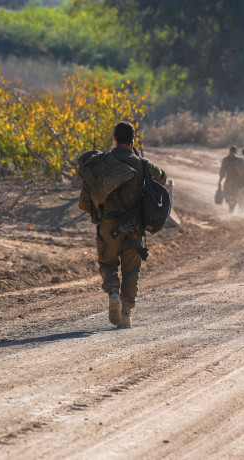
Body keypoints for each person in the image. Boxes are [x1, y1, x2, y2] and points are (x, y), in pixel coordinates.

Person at [79, 121, 167, 329]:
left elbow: (85, 200)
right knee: (131, 270)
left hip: (108, 224)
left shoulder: (101, 162)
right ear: (133, 140)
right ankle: (126, 314)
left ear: (114, 139)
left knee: (107, 264)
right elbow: (162, 178)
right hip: (134, 226)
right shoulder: (143, 164)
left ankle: (112, 292)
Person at [218, 145, 244, 214]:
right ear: (236, 151)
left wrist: (220, 179)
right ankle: (232, 209)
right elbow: (242, 171)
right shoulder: (241, 159)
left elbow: (222, 171)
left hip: (228, 179)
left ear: (229, 151)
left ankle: (229, 202)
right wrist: (243, 180)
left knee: (226, 193)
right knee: (236, 195)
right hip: (237, 180)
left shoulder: (225, 159)